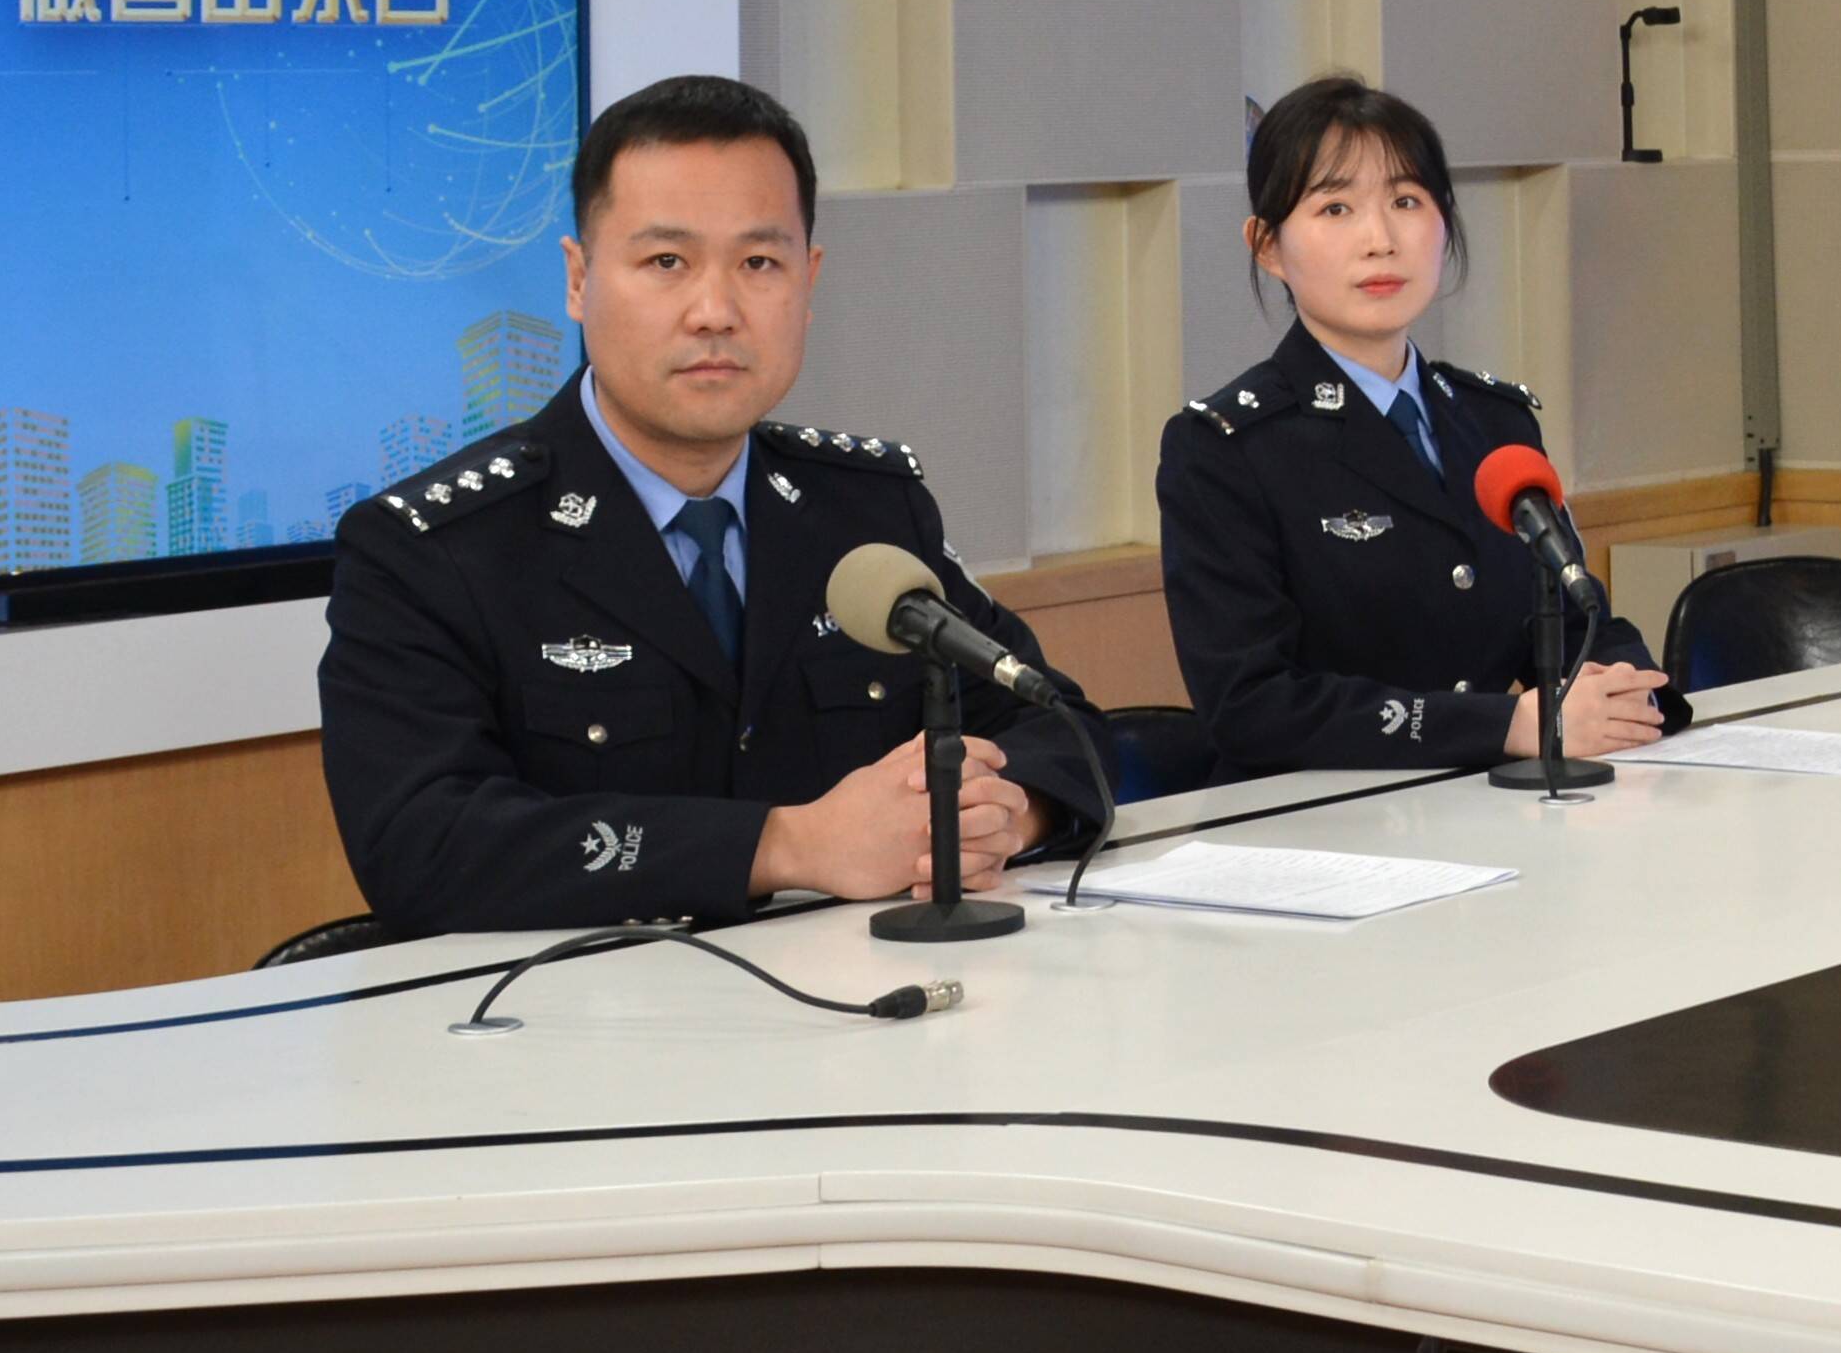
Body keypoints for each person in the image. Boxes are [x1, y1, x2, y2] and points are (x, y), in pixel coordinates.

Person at [319, 76, 1104, 936]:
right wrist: (785, 845)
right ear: (578, 279)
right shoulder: (434, 549)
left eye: (759, 263)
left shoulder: (869, 510)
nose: (715, 312)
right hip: (575, 1011)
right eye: (667, 262)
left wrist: (1000, 816)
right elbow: (422, 846)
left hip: (871, 998)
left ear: (808, 280)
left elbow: (1059, 727)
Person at [1156, 77, 1672, 779]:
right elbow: (1252, 707)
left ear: (1444, 223)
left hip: (1490, 803)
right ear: (1267, 246)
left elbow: (1577, 620)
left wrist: (1627, 694)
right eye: (1335, 207)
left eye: (1406, 202)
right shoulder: (1225, 449)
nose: (1380, 241)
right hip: (1314, 822)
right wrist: (1506, 724)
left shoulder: (1494, 421)